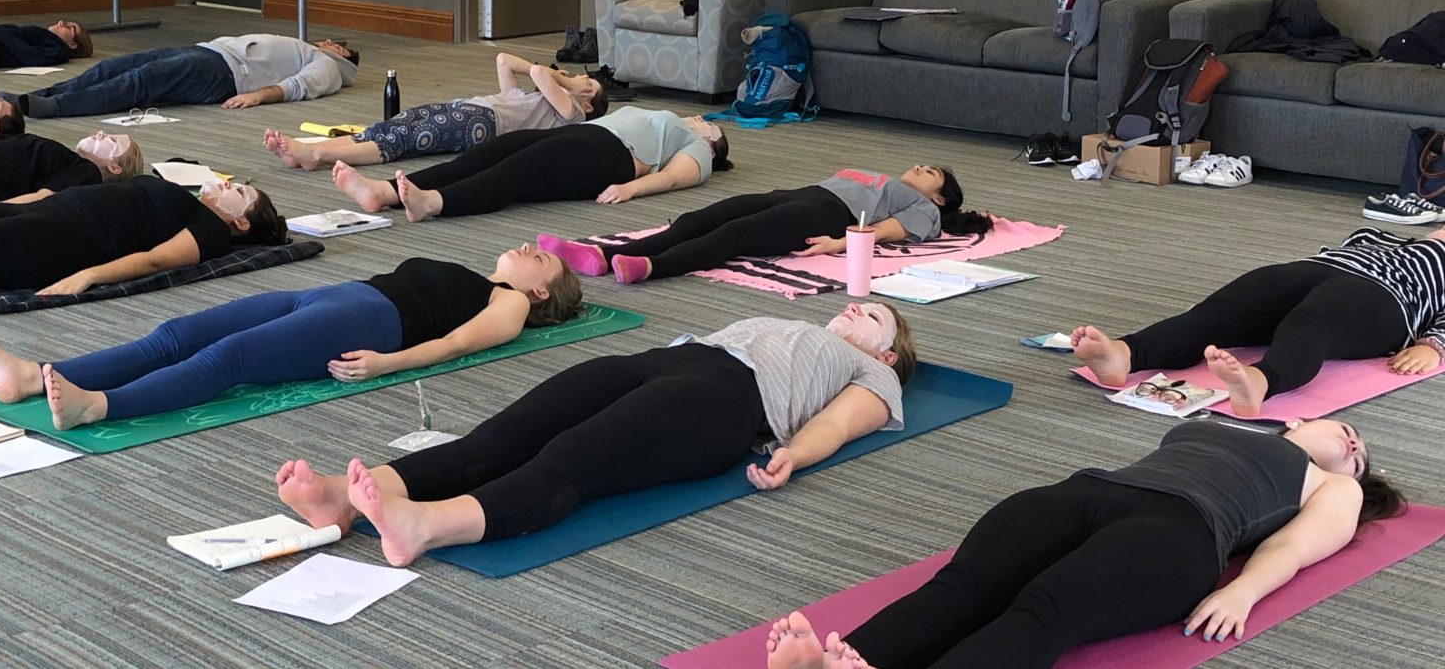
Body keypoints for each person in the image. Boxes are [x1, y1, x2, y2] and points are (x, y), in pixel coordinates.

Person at [273, 303, 914, 567]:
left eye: (876, 318)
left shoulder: (871, 374)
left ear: (888, 354)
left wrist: (794, 457)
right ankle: (341, 500)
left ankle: (425, 526)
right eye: (858, 303)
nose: (857, 309)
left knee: (571, 460)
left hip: (724, 402)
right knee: (504, 435)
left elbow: (838, 423)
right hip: (664, 362)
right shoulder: (797, 321)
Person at [762, 418, 1407, 669]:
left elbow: (1292, 549)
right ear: (1300, 420)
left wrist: (1243, 590)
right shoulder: (1227, 424)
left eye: (1362, 454)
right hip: (1084, 492)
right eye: (1350, 430)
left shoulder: (1334, 485)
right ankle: (847, 664)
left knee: (1045, 609)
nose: (1354, 445)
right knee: (962, 587)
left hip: (1180, 533)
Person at [0, 243, 582, 430]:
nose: (534, 247)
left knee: (229, 359)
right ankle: (27, 375)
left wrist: (391, 362)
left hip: (366, 323)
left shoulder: (509, 307)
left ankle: (100, 405)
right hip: (336, 296)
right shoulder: (482, 275)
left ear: (540, 293)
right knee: (179, 331)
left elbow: (458, 345)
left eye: (544, 261)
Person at [1073, 226, 1445, 417]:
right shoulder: (1377, 236)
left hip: (1388, 296)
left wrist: (1433, 345)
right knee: (1224, 310)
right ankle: (1124, 355)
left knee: (1311, 321)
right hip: (1323, 267)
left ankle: (1258, 382)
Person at [538, 165, 992, 284]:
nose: (919, 167)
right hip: (796, 195)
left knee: (732, 238)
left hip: (823, 214)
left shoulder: (926, 209)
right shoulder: (886, 178)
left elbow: (893, 230)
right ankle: (607, 255)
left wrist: (841, 243)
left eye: (930, 171)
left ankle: (651, 267)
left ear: (939, 196)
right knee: (701, 217)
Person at [330, 105, 732, 222]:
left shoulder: (699, 147)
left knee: (518, 172)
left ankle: (433, 202)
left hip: (610, 158)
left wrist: (631, 188)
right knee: (494, 151)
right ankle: (384, 192)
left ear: (713, 142)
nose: (701, 119)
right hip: (587, 135)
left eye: (708, 124)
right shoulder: (679, 123)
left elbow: (678, 180)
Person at [0, 174, 285, 297]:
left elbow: (155, 261)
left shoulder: (212, 231)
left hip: (64, 236)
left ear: (242, 223)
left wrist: (88, 276)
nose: (225, 184)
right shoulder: (188, 197)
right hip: (47, 209)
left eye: (238, 193)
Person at [264, 52, 608, 170]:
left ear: (587, 104)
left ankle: (316, 153)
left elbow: (537, 72)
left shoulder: (570, 114)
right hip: (467, 107)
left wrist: (570, 83)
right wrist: (567, 80)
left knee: (404, 139)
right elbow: (503, 60)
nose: (580, 80)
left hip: (482, 125)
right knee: (392, 125)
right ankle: (313, 153)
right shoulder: (529, 100)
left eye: (587, 85)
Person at [13, 34, 359, 118]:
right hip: (208, 52)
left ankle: (57, 106)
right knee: (116, 66)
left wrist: (258, 96)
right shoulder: (309, 48)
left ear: (344, 56)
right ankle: (44, 94)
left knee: (140, 81)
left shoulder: (330, 66)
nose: (329, 42)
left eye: (337, 45)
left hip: (223, 73)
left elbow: (300, 87)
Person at [0, 130, 144, 223]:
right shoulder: (64, 156)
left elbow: (39, 199)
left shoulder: (86, 172)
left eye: (112, 141)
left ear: (115, 167)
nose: (101, 133)